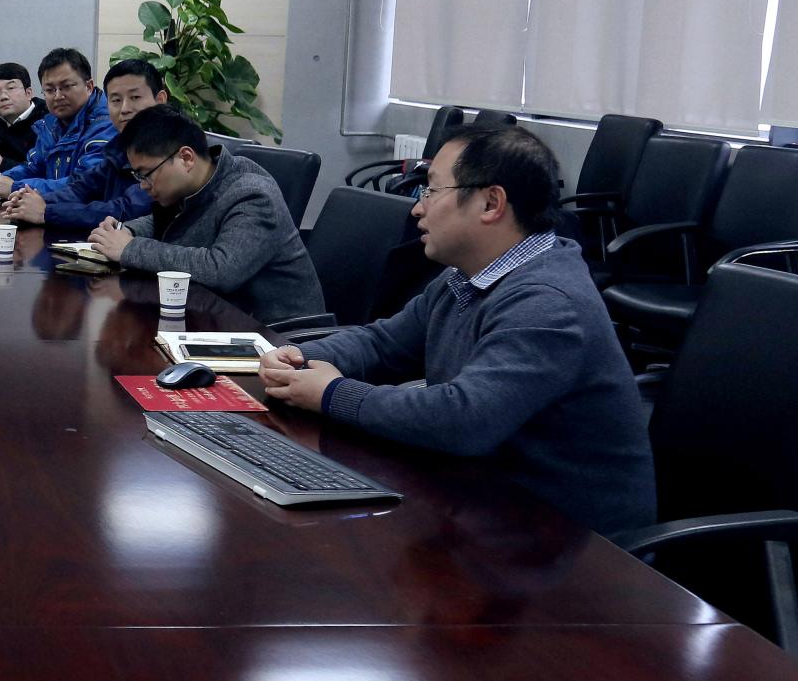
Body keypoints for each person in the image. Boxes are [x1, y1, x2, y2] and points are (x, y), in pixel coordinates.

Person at [259, 124, 656, 537]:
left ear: (490, 203)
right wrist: (303, 358)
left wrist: (332, 393)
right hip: (481, 502)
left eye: (431, 191)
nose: (417, 208)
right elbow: (385, 343)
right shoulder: (468, 276)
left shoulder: (549, 303)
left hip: (566, 541)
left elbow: (463, 420)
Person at [87, 105, 325, 326]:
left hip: (276, 337)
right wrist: (127, 231)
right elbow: (170, 220)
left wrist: (129, 249)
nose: (143, 185)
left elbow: (221, 270)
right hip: (215, 318)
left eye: (146, 174)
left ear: (186, 158)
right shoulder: (199, 183)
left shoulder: (253, 195)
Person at [0, 59, 168, 231]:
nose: (124, 109)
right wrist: (29, 201)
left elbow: (127, 209)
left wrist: (46, 212)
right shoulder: (120, 147)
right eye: (116, 100)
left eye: (135, 97)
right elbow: (80, 188)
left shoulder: (170, 148)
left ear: (160, 100)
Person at [0, 48, 116, 200]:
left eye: (66, 87)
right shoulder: (50, 125)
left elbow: (86, 184)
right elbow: (34, 167)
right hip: (56, 208)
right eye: (50, 90)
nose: (58, 96)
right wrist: (7, 178)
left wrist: (16, 187)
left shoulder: (107, 123)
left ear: (88, 87)